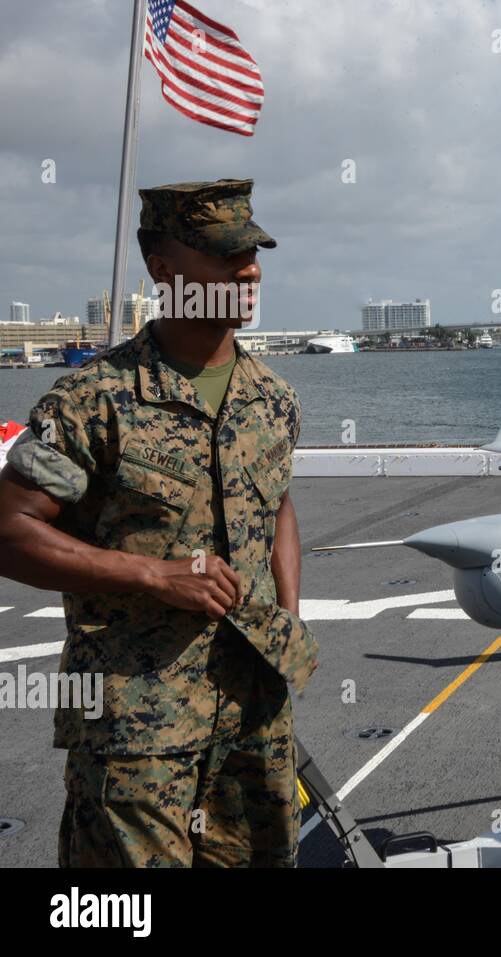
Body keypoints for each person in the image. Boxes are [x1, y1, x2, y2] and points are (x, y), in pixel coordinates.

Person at [0, 179, 318, 867]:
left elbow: (278, 504)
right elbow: (10, 528)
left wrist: (287, 618)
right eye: (226, 253)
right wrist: (152, 574)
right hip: (137, 730)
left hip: (254, 718)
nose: (251, 269)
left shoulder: (273, 398)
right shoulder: (93, 399)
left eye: (254, 252)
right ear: (163, 268)